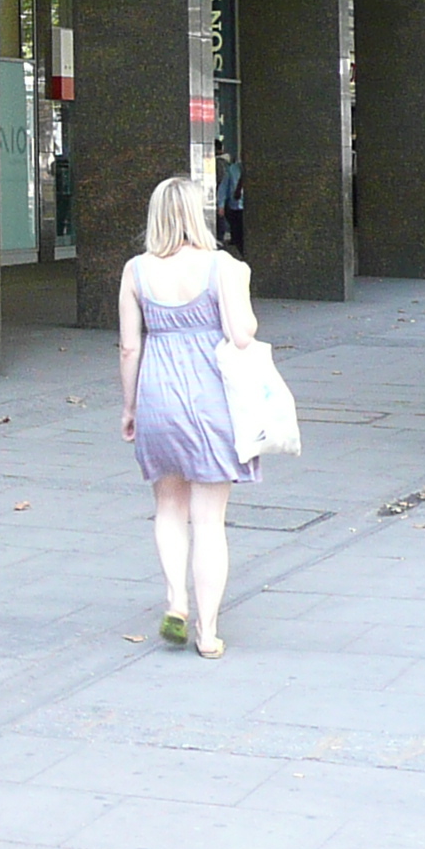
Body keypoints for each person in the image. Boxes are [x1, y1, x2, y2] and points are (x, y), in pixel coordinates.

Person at [117, 176, 261, 659]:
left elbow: (129, 346)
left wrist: (130, 406)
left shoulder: (135, 271)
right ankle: (208, 631)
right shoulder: (223, 267)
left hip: (158, 393)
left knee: (169, 510)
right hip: (210, 399)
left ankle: (176, 601)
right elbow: (242, 334)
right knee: (209, 520)